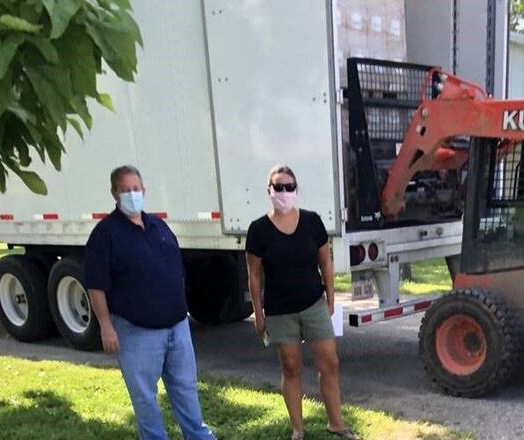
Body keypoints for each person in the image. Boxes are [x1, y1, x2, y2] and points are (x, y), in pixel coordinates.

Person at [84, 165, 215, 440]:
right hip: (136, 333)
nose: (132, 194)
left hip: (177, 328)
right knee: (145, 400)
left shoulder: (158, 225)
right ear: (114, 193)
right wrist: (106, 325)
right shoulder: (105, 234)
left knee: (186, 390)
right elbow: (96, 284)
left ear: (144, 190)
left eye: (136, 189)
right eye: (125, 190)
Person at [246, 165, 360, 440]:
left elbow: (326, 263)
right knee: (291, 366)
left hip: (314, 304)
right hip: (280, 311)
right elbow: (254, 276)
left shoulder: (312, 221)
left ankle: (336, 423)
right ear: (269, 191)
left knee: (330, 363)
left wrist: (331, 299)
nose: (284, 192)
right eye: (278, 187)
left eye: (289, 187)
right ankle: (298, 428)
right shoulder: (258, 229)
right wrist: (258, 315)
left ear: (296, 190)